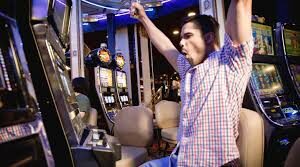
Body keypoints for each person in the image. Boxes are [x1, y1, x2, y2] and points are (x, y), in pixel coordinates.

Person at [130, 0, 253, 166]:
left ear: (208, 37)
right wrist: (143, 17)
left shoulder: (229, 62)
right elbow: (166, 46)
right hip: (180, 159)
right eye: (181, 38)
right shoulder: (189, 70)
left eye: (188, 36)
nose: (181, 43)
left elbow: (242, 5)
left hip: (212, 163)